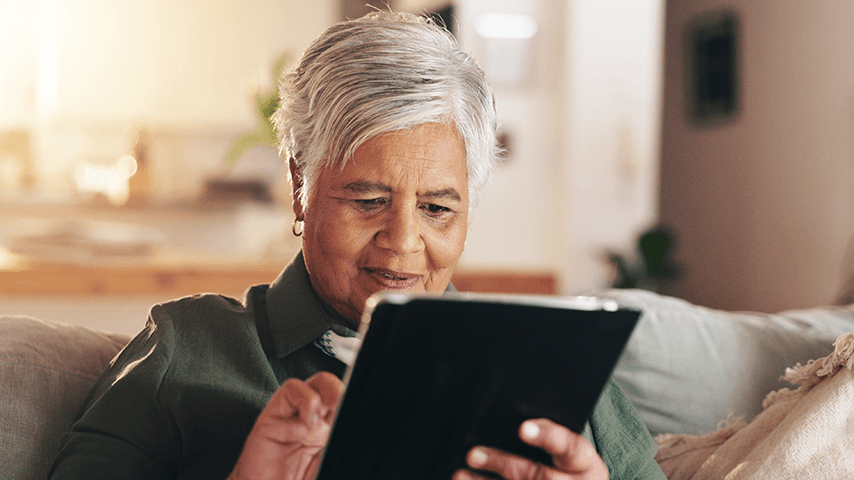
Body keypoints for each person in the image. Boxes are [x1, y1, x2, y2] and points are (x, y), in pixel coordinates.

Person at [50, 11, 664, 480]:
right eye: (367, 201)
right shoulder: (191, 351)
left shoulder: (559, 372)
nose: (402, 243)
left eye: (437, 208)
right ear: (300, 186)